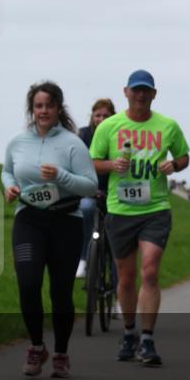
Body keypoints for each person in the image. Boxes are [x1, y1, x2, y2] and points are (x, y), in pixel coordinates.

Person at [90, 69, 190, 367]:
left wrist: (175, 165)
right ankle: (129, 333)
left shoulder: (168, 126)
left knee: (149, 271)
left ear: (154, 94)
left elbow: (184, 156)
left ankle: (147, 339)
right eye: (136, 90)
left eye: (146, 90)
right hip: (120, 210)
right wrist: (112, 164)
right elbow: (93, 162)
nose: (141, 95)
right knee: (127, 276)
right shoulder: (109, 126)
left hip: (155, 209)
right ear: (126, 92)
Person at [3, 82, 97, 378]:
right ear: (32, 109)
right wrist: (10, 187)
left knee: (60, 292)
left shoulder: (72, 143)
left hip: (65, 221)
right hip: (29, 220)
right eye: (38, 106)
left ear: (59, 109)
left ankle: (60, 352)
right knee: (28, 284)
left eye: (49, 106)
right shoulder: (18, 142)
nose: (43, 111)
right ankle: (36, 346)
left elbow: (91, 185)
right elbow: (7, 170)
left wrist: (61, 175)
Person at [76, 98, 116, 279]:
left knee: (116, 235)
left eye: (105, 116)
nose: (101, 119)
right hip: (90, 189)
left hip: (113, 191)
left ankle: (119, 293)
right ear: (92, 117)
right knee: (85, 208)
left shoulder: (117, 136)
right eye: (97, 115)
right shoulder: (83, 135)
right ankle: (83, 258)